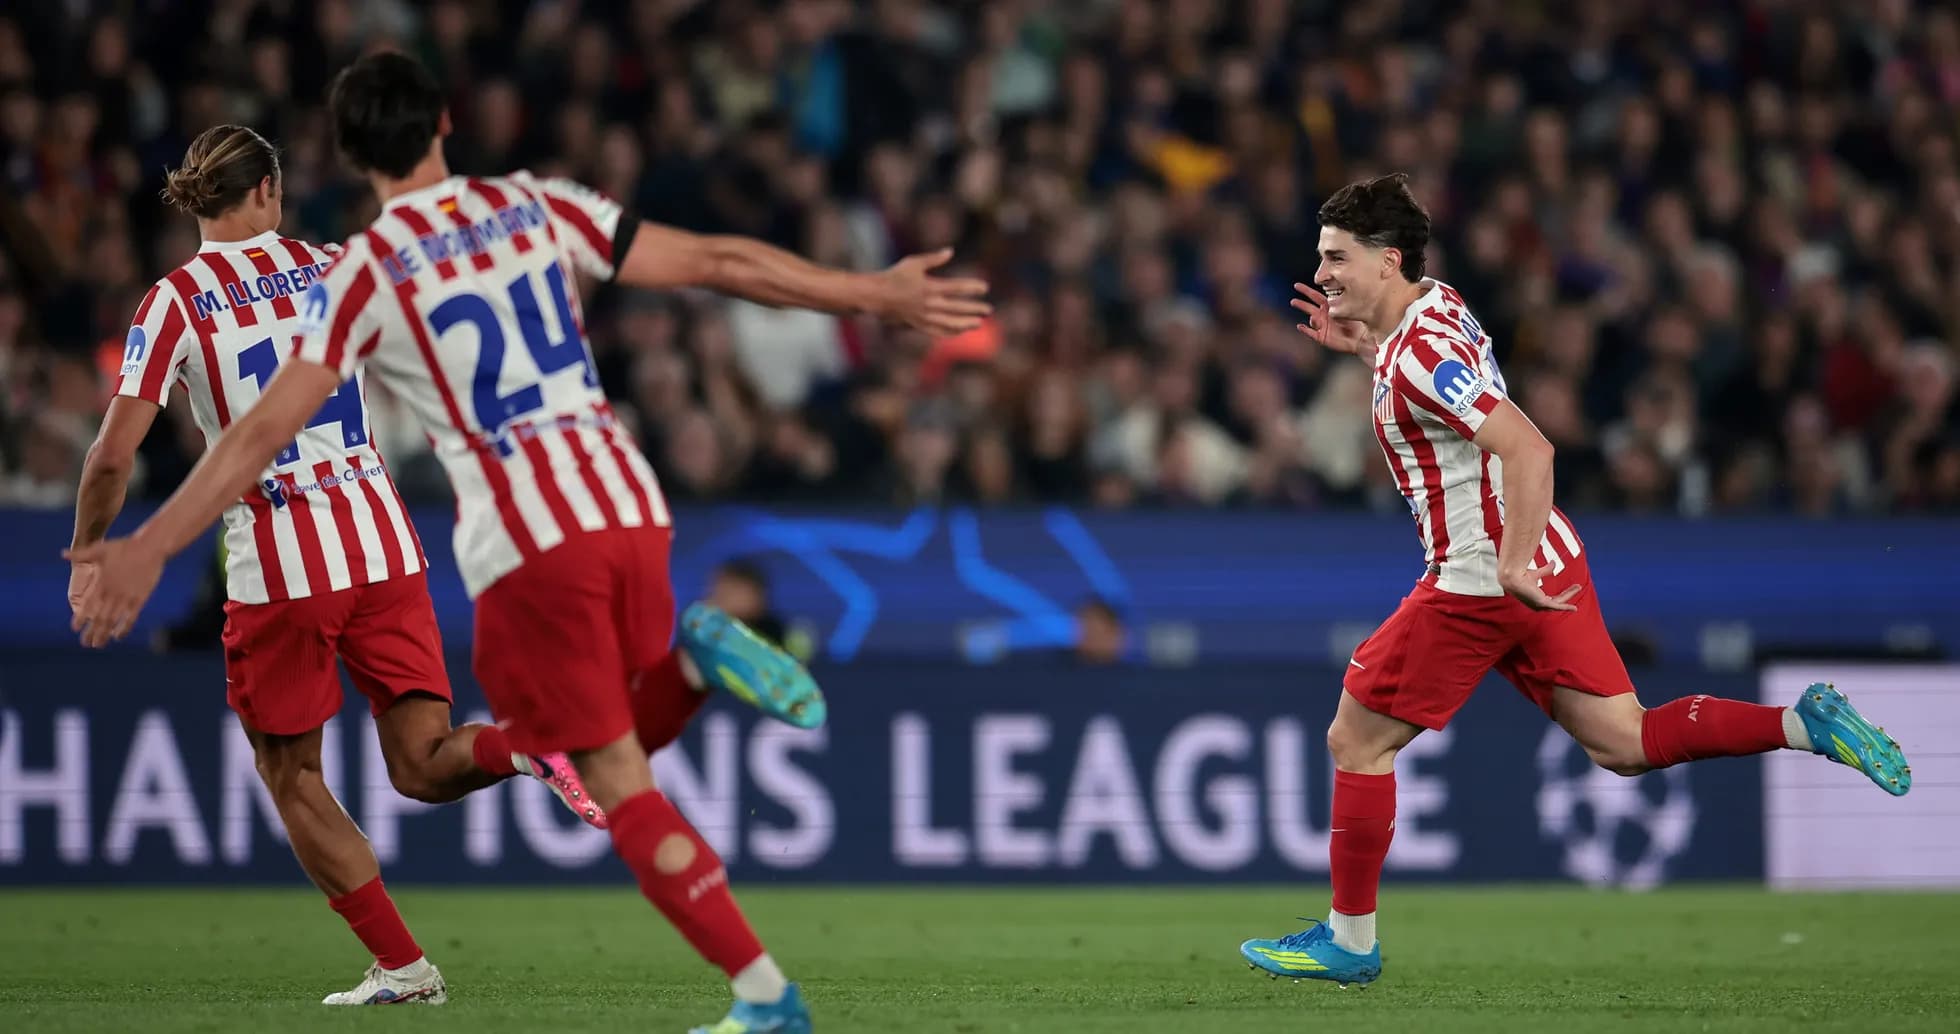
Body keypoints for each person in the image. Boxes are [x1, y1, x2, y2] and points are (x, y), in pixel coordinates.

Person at [70, 51, 988, 1033]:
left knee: (536, 770)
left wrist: (140, 546)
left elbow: (249, 435)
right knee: (487, 754)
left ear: (348, 155)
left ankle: (743, 984)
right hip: (612, 499)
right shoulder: (528, 206)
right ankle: (727, 913)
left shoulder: (361, 272)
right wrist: (870, 294)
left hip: (480, 543)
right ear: (445, 126)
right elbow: (721, 262)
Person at [1236, 174, 1911, 987]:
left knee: (1356, 739)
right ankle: (1804, 724)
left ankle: (1348, 942)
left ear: (1387, 261)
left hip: (1483, 578)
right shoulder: (1436, 308)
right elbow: (1443, 388)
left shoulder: (1417, 354)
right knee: (1625, 742)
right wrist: (1365, 348)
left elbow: (1531, 450)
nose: (1327, 273)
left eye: (1338, 258)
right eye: (1322, 257)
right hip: (1551, 560)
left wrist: (1510, 563)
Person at [68, 124, 609, 1006]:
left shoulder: (174, 301)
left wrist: (93, 552)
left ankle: (404, 968)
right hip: (382, 540)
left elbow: (111, 456)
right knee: (424, 761)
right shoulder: (332, 267)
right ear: (270, 192)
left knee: (293, 775)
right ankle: (528, 745)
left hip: (282, 562)